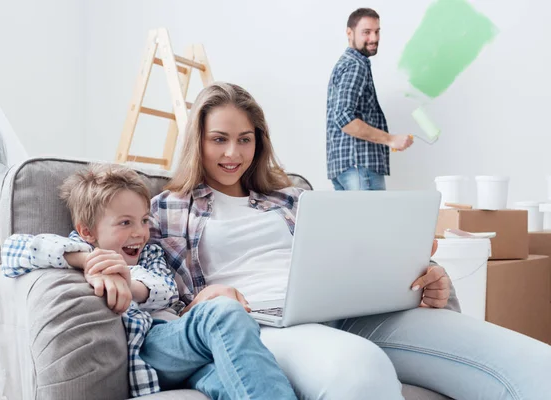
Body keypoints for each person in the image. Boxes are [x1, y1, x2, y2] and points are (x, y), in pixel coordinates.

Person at [152, 81, 551, 399]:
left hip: (350, 309)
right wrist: (199, 304)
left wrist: (419, 276)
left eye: (245, 139)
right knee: (359, 373)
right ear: (197, 141)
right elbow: (153, 297)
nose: (233, 153)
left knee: (534, 363)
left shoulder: (290, 197)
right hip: (266, 327)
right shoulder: (167, 208)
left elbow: (349, 257)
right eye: (219, 139)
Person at [1, 164, 296, 399]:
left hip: (176, 340)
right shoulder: (79, 250)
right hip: (148, 346)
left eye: (144, 220)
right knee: (225, 315)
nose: (140, 233)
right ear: (87, 231)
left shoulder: (150, 253)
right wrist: (86, 259)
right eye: (125, 222)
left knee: (233, 380)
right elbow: (12, 249)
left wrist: (128, 281)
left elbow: (165, 289)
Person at [327, 8, 414, 191]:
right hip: (360, 167)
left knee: (356, 220)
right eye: (366, 32)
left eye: (377, 31)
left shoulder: (347, 63)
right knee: (372, 220)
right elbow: (344, 118)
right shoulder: (355, 66)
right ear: (349, 33)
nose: (374, 38)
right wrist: (391, 139)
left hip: (346, 168)